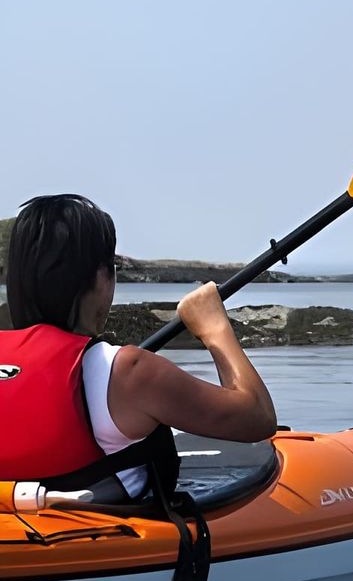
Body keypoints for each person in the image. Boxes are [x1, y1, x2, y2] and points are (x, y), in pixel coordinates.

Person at [0, 194, 276, 500]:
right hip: (105, 538)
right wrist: (214, 328)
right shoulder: (129, 372)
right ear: (100, 277)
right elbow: (257, 419)